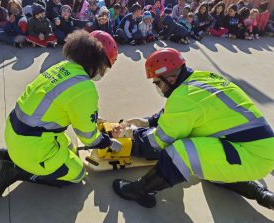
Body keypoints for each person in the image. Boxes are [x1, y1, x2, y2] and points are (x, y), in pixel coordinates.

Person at [112, 48, 274, 210]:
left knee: (183, 151)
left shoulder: (182, 98)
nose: (158, 87)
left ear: (171, 78)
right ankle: (263, 195)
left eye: (157, 83)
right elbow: (181, 113)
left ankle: (141, 190)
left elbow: (157, 143)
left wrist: (131, 134)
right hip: (261, 148)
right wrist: (147, 122)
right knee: (209, 170)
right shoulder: (201, 79)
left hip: (253, 156)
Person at [0, 30, 120, 198]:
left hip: (17, 132)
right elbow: (89, 137)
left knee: (72, 149)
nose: (102, 72)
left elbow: (59, 104)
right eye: (104, 67)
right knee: (78, 175)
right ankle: (16, 171)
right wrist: (108, 141)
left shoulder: (62, 67)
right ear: (97, 61)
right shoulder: (85, 87)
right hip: (33, 145)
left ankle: (7, 154)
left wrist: (92, 118)